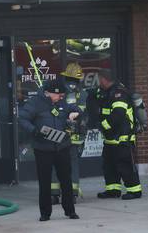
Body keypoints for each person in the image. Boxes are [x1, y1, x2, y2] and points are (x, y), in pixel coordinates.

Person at [18, 78, 80, 222]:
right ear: (48, 93)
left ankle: (70, 211)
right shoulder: (35, 103)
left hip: (62, 146)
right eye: (58, 95)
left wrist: (75, 114)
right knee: (44, 182)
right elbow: (22, 118)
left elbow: (75, 109)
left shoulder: (63, 102)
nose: (61, 97)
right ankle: (45, 213)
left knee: (66, 180)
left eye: (62, 95)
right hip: (43, 148)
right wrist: (34, 131)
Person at [87, 68, 142, 200]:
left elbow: (118, 115)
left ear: (104, 79)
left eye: (100, 80)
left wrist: (102, 125)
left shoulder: (119, 93)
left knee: (126, 165)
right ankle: (113, 190)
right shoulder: (106, 93)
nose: (98, 82)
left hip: (122, 138)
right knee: (109, 166)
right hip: (110, 139)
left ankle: (134, 190)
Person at [51, 62, 88, 204]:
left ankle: (54, 194)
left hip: (59, 134)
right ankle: (72, 194)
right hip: (77, 135)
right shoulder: (83, 93)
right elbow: (82, 113)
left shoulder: (59, 92)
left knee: (56, 163)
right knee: (72, 163)